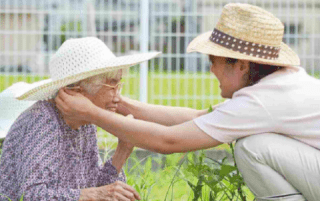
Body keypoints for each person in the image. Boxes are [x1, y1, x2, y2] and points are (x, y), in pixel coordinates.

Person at [55, 3, 320, 201]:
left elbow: (169, 141)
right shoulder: (278, 85)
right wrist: (120, 104)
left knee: (253, 148)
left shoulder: (262, 101)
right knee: (255, 145)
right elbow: (197, 118)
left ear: (240, 65)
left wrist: (92, 112)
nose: (210, 70)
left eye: (213, 61)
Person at [0, 37, 160, 201]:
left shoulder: (85, 124)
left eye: (119, 86)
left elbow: (95, 189)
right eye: (112, 86)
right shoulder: (43, 121)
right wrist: (97, 194)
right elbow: (33, 195)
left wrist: (123, 151)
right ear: (78, 90)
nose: (117, 97)